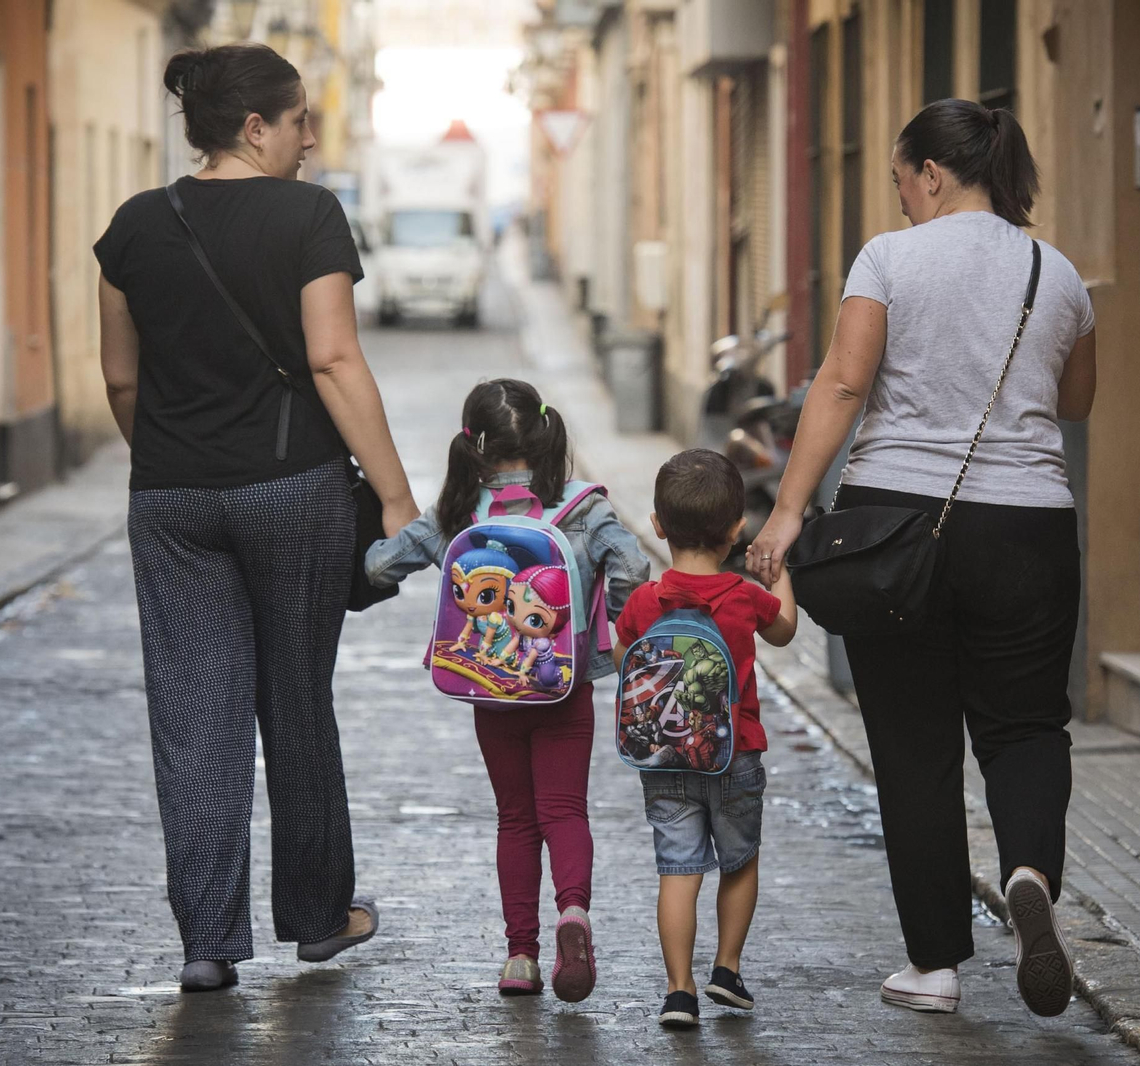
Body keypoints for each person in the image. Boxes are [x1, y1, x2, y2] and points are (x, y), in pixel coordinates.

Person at [747, 98, 1098, 1019]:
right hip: (1030, 525)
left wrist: (787, 513)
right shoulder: (1055, 272)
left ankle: (936, 965)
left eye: (903, 179)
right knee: (1026, 726)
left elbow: (845, 381)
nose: (901, 197)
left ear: (932, 174)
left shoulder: (890, 260)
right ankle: (1027, 874)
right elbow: (1077, 401)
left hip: (897, 525)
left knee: (915, 745)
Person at [93, 43, 419, 992]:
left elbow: (121, 379)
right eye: (301, 121)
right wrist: (396, 497)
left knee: (195, 719)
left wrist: (175, 456)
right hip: (294, 491)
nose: (313, 139)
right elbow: (333, 360)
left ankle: (205, 943)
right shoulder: (310, 215)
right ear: (255, 128)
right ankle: (319, 919)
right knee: (295, 698)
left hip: (169, 497)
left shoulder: (132, 227)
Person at [365, 378, 651, 1002]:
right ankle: (573, 915)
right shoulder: (583, 509)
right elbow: (633, 566)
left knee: (515, 819)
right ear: (546, 437)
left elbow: (381, 565)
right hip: (564, 686)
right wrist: (616, 638)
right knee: (565, 810)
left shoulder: (456, 517)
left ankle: (520, 956)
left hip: (492, 691)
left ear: (472, 447)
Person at [614, 449, 798, 1030]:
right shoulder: (743, 598)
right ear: (737, 528)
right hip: (735, 754)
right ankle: (727, 969)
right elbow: (786, 631)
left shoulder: (646, 600)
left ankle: (679, 992)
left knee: (678, 870)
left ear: (659, 526)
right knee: (739, 862)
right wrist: (780, 573)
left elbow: (623, 658)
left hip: (665, 757)